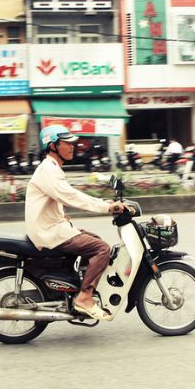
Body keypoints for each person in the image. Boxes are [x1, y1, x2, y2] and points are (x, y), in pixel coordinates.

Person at [25, 125, 127, 321]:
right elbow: (71, 196)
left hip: (53, 227)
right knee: (101, 249)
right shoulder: (48, 170)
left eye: (73, 143)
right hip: (49, 232)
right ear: (52, 146)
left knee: (94, 239)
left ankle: (76, 286)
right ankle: (84, 297)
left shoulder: (51, 168)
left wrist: (104, 204)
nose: (72, 147)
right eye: (66, 143)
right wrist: (107, 207)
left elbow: (56, 200)